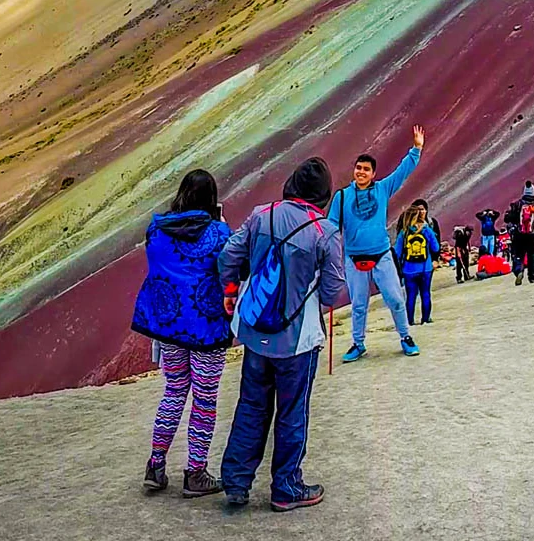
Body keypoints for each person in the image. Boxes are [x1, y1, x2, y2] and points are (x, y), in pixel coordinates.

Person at [218, 158, 346, 512]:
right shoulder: (325, 231)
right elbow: (334, 290)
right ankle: (286, 487)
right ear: (323, 194)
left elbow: (229, 254)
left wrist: (231, 290)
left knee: (251, 404)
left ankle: (237, 482)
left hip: (256, 331)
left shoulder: (262, 215)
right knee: (292, 411)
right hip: (298, 340)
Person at [133, 170, 233, 498]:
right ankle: (195, 472)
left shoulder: (156, 229)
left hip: (169, 325)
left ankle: (156, 465)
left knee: (174, 390)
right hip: (206, 327)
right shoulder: (219, 233)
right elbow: (229, 267)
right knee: (204, 399)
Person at [329, 126, 425, 361]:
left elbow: (402, 172)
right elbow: (331, 227)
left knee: (394, 298)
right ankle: (358, 343)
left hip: (381, 255)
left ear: (373, 174)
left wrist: (417, 148)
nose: (361, 172)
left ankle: (405, 336)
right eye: (358, 168)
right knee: (359, 305)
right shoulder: (341, 197)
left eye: (366, 169)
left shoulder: (382, 189)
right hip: (353, 258)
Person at [395, 205, 440, 324]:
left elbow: (397, 253)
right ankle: (426, 319)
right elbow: (436, 248)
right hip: (426, 268)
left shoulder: (403, 233)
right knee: (425, 293)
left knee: (411, 296)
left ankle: (410, 321)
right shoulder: (427, 230)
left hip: (409, 269)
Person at [505, 182, 534, 285]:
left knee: (518, 254)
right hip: (532, 235)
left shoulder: (517, 205)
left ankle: (518, 271)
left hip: (518, 235)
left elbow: (507, 219)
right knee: (532, 255)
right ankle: (533, 276)